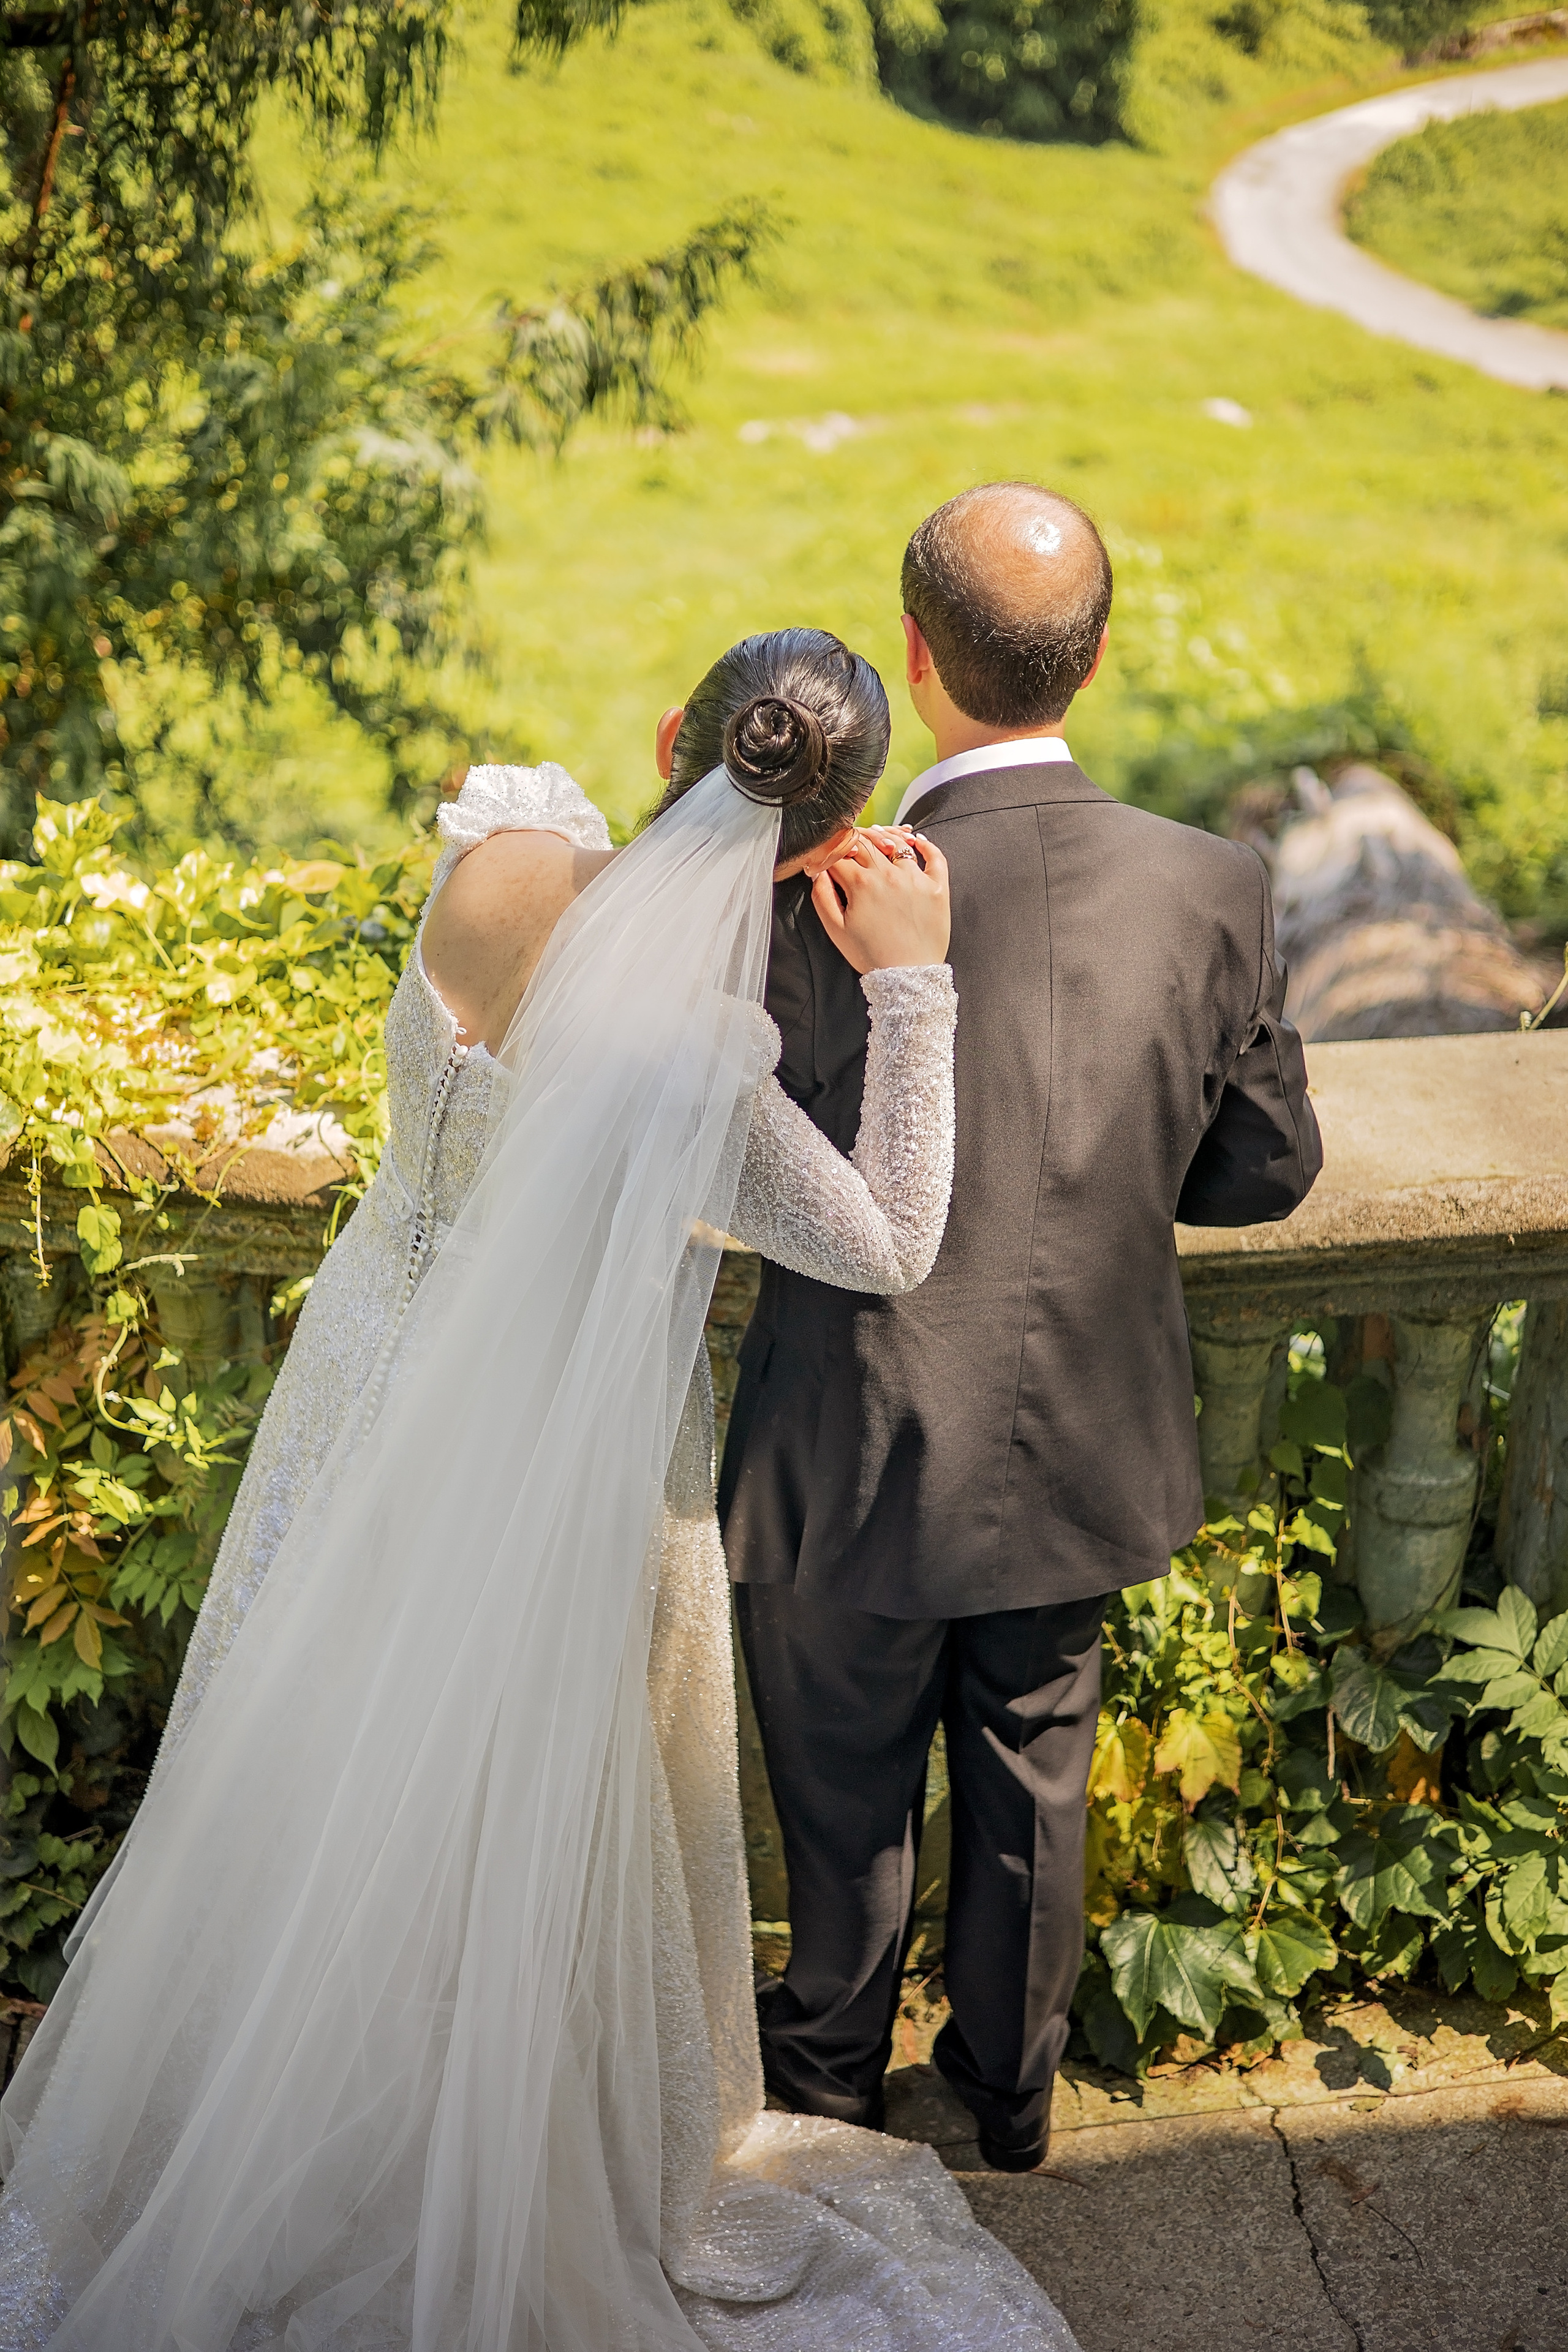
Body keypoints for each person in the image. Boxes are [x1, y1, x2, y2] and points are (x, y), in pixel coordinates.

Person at [0, 626, 1080, 2352]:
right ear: (826, 846)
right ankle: (463, 2161)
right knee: (506, 1815)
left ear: (671, 733)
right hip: (553, 1485)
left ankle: (245, 2139)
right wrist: (914, 983)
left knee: (315, 1763)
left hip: (362, 1391)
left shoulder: (496, 851)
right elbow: (888, 1238)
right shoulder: (689, 1052)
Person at [721, 487, 1323, 2173]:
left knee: (841, 1799)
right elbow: (1270, 1168)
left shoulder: (817, 892)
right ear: (1100, 653)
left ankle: (830, 2085)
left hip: (847, 1443)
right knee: (1031, 1781)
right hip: (1077, 1437)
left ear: (916, 661)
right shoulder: (1215, 883)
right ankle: (1011, 2092)